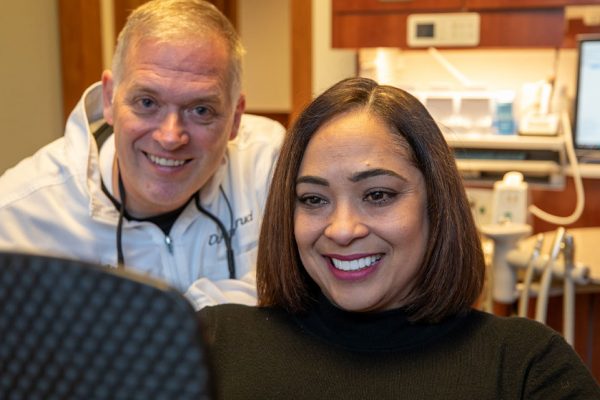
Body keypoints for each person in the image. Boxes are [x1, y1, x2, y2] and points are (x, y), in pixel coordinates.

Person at [198, 77, 600, 399]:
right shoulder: (216, 342)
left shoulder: (523, 368)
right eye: (313, 199)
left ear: (436, 204)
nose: (341, 229)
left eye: (378, 195)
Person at [0, 0, 284, 309]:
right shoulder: (18, 216)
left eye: (201, 110)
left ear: (235, 118)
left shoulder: (268, 165)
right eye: (147, 102)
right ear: (109, 98)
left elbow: (310, 289)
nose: (171, 137)